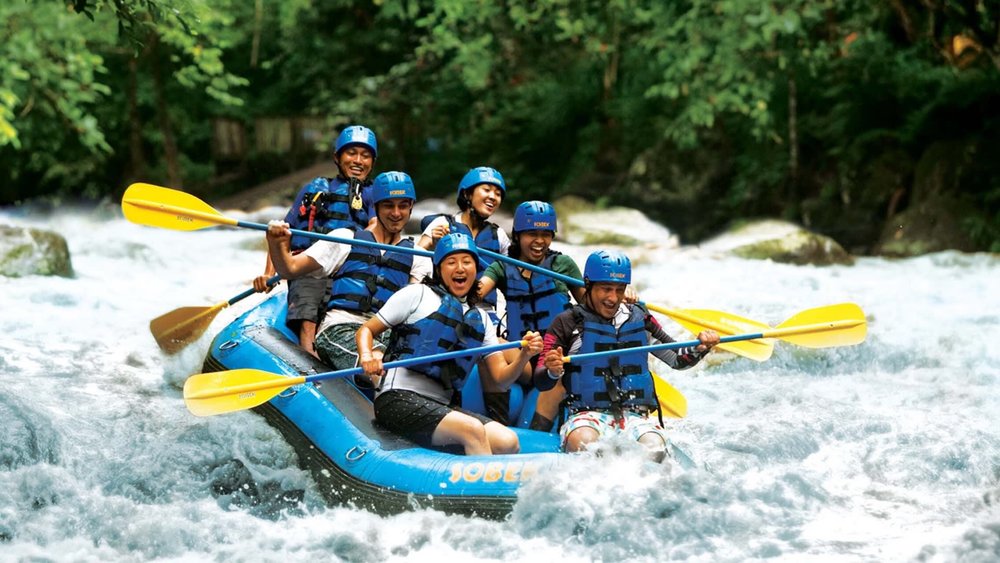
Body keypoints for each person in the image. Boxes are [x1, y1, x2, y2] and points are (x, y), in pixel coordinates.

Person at [357, 233, 543, 456]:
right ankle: (480, 478)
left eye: (467, 262)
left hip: (441, 405)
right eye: (451, 262)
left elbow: (501, 379)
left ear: (476, 269)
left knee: (507, 441)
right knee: (472, 430)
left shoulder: (482, 319)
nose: (460, 268)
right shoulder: (417, 294)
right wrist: (367, 356)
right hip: (397, 398)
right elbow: (366, 330)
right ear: (439, 269)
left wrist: (524, 355)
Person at [536, 250, 720, 461]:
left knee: (655, 448)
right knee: (583, 442)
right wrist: (552, 371)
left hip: (635, 417)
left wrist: (701, 347)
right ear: (588, 284)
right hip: (586, 416)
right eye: (606, 289)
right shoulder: (567, 322)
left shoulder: (641, 318)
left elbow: (678, 360)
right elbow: (541, 379)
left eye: (619, 289)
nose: (613, 298)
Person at [264, 171, 429, 380]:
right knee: (382, 364)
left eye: (403, 206)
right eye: (389, 205)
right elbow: (290, 269)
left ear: (411, 207)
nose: (396, 213)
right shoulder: (345, 239)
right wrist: (276, 243)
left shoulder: (419, 257)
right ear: (376, 206)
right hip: (341, 328)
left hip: (387, 336)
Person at [254, 125, 379, 356]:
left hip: (348, 269)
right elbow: (282, 234)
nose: (358, 161)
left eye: (365, 155)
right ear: (337, 157)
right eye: (351, 153)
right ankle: (309, 358)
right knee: (309, 309)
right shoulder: (314, 189)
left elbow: (376, 226)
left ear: (372, 162)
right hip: (310, 266)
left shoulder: (373, 193)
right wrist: (268, 274)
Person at [475, 201, 585, 425]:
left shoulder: (562, 264)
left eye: (546, 234)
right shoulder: (502, 267)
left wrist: (620, 295)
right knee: (489, 343)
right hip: (523, 358)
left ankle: (537, 430)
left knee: (559, 373)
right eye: (532, 234)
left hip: (558, 357)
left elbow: (592, 304)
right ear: (517, 235)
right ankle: (498, 423)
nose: (539, 241)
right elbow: (476, 292)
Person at [416, 166, 511, 309]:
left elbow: (513, 273)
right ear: (467, 194)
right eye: (486, 190)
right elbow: (415, 258)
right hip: (443, 305)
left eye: (498, 194)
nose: (493, 197)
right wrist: (435, 247)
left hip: (484, 309)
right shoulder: (443, 224)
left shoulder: (499, 235)